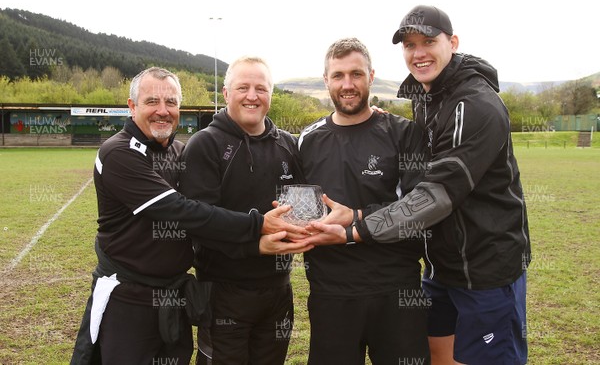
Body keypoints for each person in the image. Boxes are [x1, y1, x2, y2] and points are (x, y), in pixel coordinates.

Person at [308, 6, 530, 365]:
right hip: (441, 267)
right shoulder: (429, 99)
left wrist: (354, 228)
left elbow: (435, 198)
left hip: (485, 269)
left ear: (452, 43)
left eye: (429, 41)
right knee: (438, 356)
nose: (419, 52)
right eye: (410, 44)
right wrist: (376, 125)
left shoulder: (475, 104)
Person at [70, 67, 312, 365]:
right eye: (152, 102)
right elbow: (181, 211)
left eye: (171, 102)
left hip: (175, 295)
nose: (163, 111)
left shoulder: (178, 151)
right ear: (132, 107)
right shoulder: (118, 152)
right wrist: (258, 226)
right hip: (130, 298)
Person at [297, 37, 430, 364]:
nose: (347, 84)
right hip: (331, 293)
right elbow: (300, 212)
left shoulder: (403, 133)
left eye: (356, 74)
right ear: (326, 80)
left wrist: (354, 220)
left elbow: (418, 209)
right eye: (338, 75)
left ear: (371, 76)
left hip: (397, 289)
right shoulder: (307, 140)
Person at [178, 56, 305, 365]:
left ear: (271, 94)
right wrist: (256, 242)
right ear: (225, 94)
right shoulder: (204, 145)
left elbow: (305, 204)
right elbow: (199, 222)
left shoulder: (289, 144)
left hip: (278, 290)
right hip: (224, 292)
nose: (252, 96)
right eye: (243, 87)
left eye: (261, 88)